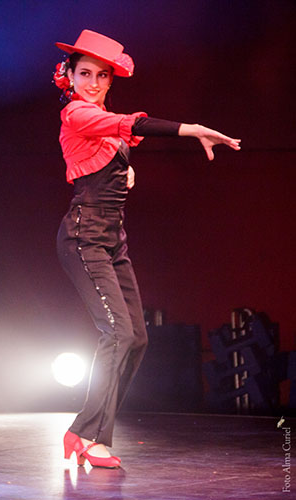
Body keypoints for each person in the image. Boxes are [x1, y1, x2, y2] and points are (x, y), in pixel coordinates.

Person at [53, 30, 241, 467]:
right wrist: (192, 129)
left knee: (136, 337)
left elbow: (115, 147)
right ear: (70, 75)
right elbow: (131, 126)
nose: (94, 83)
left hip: (113, 241)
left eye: (102, 75)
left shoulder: (100, 120)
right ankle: (90, 436)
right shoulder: (76, 115)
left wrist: (125, 173)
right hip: (83, 238)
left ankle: (85, 433)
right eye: (85, 73)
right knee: (117, 333)